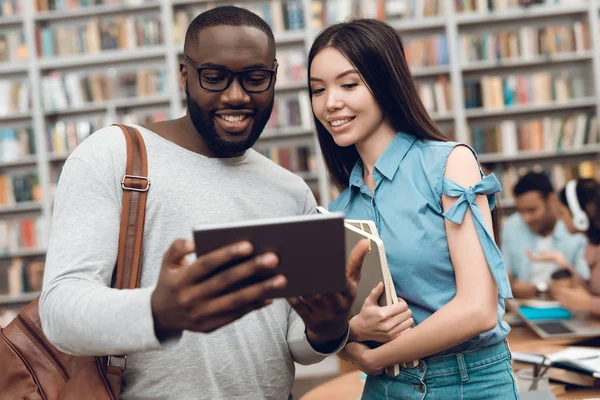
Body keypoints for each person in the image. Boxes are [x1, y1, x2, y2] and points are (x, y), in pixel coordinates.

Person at [39, 6, 371, 399]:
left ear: (274, 77)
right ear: (185, 75)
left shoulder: (291, 191)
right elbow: (59, 312)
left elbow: (291, 344)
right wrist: (158, 312)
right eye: (214, 78)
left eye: (255, 78)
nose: (236, 96)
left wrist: (327, 330)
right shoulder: (112, 155)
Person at [308, 19, 518, 399]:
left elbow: (479, 309)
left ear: (385, 83)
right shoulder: (339, 210)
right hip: (387, 389)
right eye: (318, 90)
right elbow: (341, 325)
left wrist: (373, 358)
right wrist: (355, 334)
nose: (330, 102)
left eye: (349, 84)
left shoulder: (450, 164)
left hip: (470, 382)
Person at [501, 172, 589, 299]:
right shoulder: (512, 226)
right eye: (521, 211)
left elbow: (585, 283)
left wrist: (540, 289)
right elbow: (504, 277)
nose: (526, 218)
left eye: (532, 210)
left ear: (551, 200)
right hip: (524, 308)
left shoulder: (574, 229)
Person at [533, 178, 600, 317]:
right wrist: (562, 263)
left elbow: (589, 299)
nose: (560, 219)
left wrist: (589, 304)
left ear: (579, 216)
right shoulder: (592, 244)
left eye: (562, 213)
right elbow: (592, 290)